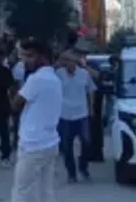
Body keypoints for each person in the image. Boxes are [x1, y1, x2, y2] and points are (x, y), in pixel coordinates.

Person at [11, 38, 62, 202]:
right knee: (45, 191)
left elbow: (15, 104)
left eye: (30, 56)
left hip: (32, 144)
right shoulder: (55, 80)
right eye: (24, 56)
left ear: (43, 57)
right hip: (50, 142)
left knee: (22, 191)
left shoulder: (36, 79)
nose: (25, 60)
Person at [54, 51, 95, 182]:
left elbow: (91, 91)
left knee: (87, 142)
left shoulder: (84, 74)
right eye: (66, 61)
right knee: (67, 145)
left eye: (71, 61)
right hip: (65, 114)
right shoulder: (58, 74)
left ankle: (83, 166)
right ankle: (71, 173)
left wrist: (91, 107)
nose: (68, 64)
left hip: (81, 113)